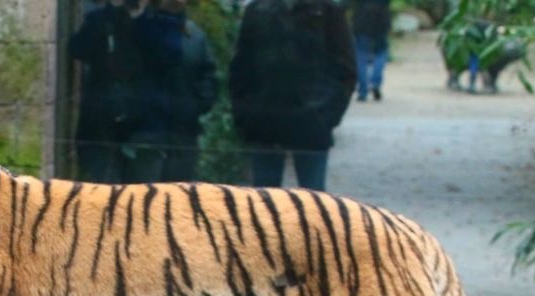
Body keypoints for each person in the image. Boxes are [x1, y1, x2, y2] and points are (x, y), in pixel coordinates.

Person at [228, 0, 356, 191]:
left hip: (312, 121)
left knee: (313, 205)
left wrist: (327, 115)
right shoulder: (258, 10)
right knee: (265, 204)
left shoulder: (327, 10)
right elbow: (242, 67)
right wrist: (246, 113)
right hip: (265, 120)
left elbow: (344, 69)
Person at [134, 0, 218, 182]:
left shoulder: (194, 35)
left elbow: (208, 75)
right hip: (146, 131)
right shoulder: (140, 30)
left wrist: (197, 105)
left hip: (183, 132)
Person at [70, 0, 148, 183]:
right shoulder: (102, 20)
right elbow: (77, 49)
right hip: (102, 116)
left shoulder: (149, 25)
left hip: (140, 121)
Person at [353, 0, 392, 101]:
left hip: (362, 23)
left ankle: (363, 90)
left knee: (361, 58)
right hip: (381, 22)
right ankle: (375, 83)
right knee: (381, 54)